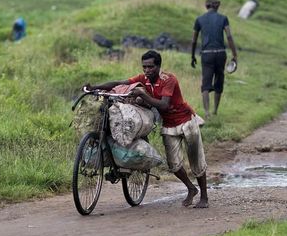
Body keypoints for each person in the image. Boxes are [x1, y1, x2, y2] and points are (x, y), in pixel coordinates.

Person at [85, 50, 209, 208]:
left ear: (158, 66)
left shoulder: (168, 79)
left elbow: (164, 104)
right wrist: (94, 87)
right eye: (144, 67)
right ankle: (191, 189)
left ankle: (204, 197)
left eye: (150, 67)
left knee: (196, 160)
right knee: (174, 165)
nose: (147, 70)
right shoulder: (143, 79)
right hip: (169, 124)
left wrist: (143, 96)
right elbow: (119, 83)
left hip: (186, 121)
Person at [191, 0, 238, 119]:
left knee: (206, 83)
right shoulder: (223, 18)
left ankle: (207, 112)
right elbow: (229, 37)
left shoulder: (199, 20)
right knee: (219, 80)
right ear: (217, 6)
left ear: (206, 6)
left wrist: (192, 56)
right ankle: (215, 110)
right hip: (220, 53)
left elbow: (194, 40)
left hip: (206, 54)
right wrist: (234, 55)